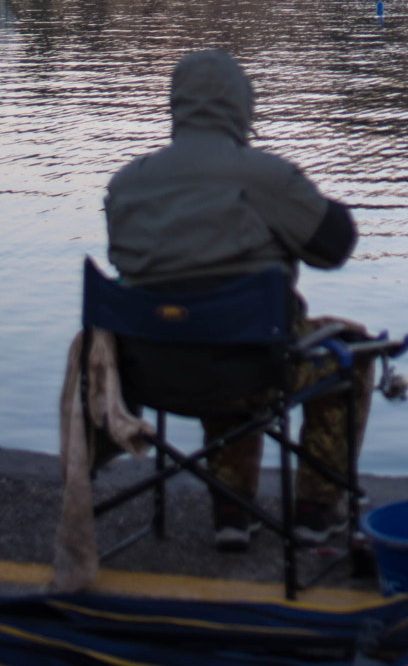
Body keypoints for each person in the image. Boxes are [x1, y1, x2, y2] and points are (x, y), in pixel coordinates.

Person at [105, 47, 371, 551]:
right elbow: (334, 245)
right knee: (347, 352)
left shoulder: (126, 185)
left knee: (206, 328)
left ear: (176, 105)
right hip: (253, 366)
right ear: (242, 106)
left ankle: (234, 512)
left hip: (146, 371)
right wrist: (299, 201)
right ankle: (317, 511)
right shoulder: (265, 177)